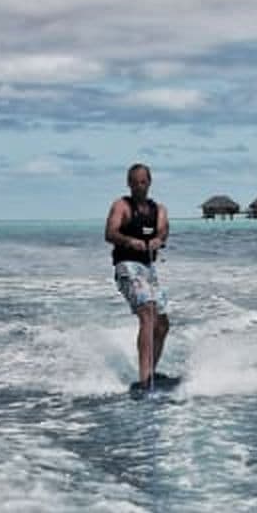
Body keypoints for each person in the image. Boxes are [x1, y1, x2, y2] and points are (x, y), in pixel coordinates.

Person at [105, 163, 170, 390]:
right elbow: (110, 232)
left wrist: (157, 240)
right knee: (148, 313)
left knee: (162, 324)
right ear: (129, 183)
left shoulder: (158, 209)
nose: (139, 186)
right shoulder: (121, 206)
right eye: (135, 182)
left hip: (148, 270)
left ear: (149, 183)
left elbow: (163, 230)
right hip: (126, 267)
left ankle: (151, 371)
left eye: (143, 182)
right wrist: (128, 240)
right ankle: (144, 380)